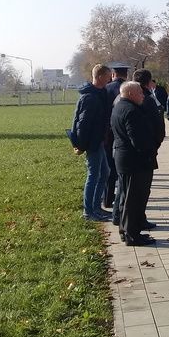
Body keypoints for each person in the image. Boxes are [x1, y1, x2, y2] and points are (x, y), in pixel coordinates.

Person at [111, 81, 156, 246]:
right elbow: (138, 140)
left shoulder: (119, 106)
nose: (143, 96)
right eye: (140, 93)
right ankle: (132, 235)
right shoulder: (131, 111)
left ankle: (127, 230)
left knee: (126, 198)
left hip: (125, 159)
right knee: (134, 200)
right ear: (130, 94)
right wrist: (149, 153)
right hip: (135, 162)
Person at [70, 64, 112, 221]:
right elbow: (82, 124)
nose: (109, 79)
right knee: (94, 175)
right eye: (108, 76)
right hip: (92, 143)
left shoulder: (99, 94)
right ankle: (88, 211)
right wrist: (80, 146)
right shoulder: (90, 97)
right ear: (100, 77)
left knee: (105, 173)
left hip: (99, 140)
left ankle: (96, 207)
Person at [131, 68, 164, 230]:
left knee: (130, 191)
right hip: (143, 152)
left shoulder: (121, 99)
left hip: (130, 153)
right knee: (139, 191)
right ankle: (135, 223)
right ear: (148, 82)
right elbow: (157, 125)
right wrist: (155, 145)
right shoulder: (146, 99)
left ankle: (124, 220)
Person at [104, 63, 128, 216]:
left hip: (108, 132)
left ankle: (107, 198)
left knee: (109, 168)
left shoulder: (106, 89)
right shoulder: (128, 88)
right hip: (122, 132)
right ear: (125, 75)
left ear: (113, 74)